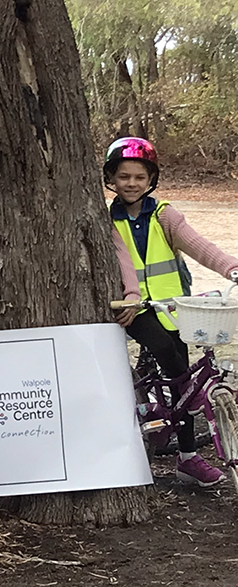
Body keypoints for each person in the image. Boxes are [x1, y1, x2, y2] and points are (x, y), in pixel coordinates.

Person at [107, 137, 238, 487]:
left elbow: (198, 245)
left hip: (172, 308)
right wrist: (131, 296)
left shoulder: (164, 214)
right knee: (169, 357)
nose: (131, 183)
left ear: (151, 180)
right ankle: (183, 406)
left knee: (182, 375)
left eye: (139, 177)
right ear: (111, 179)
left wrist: (231, 269)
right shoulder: (107, 219)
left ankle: (188, 457)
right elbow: (121, 261)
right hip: (135, 309)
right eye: (123, 176)